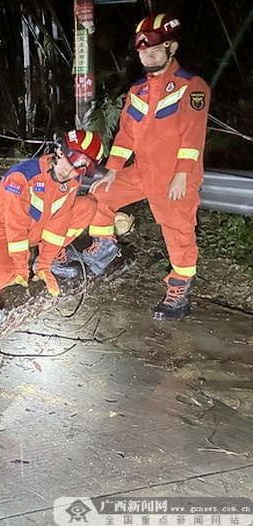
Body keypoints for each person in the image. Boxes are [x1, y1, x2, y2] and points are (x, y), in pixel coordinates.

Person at [76, 13, 210, 321]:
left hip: (176, 177)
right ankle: (104, 248)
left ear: (171, 48)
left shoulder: (191, 86)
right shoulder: (138, 91)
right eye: (142, 51)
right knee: (100, 194)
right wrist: (112, 169)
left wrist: (181, 175)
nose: (147, 55)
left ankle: (179, 291)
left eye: (154, 49)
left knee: (177, 232)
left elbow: (193, 135)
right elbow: (126, 135)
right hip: (142, 172)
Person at [0, 130, 105, 300]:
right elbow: (16, 226)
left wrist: (44, 264)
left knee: (87, 206)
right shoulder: (22, 176)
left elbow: (60, 221)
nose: (68, 172)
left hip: (36, 230)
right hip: (4, 232)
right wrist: (21, 271)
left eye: (77, 170)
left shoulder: (72, 181)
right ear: (60, 152)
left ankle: (53, 259)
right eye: (68, 163)